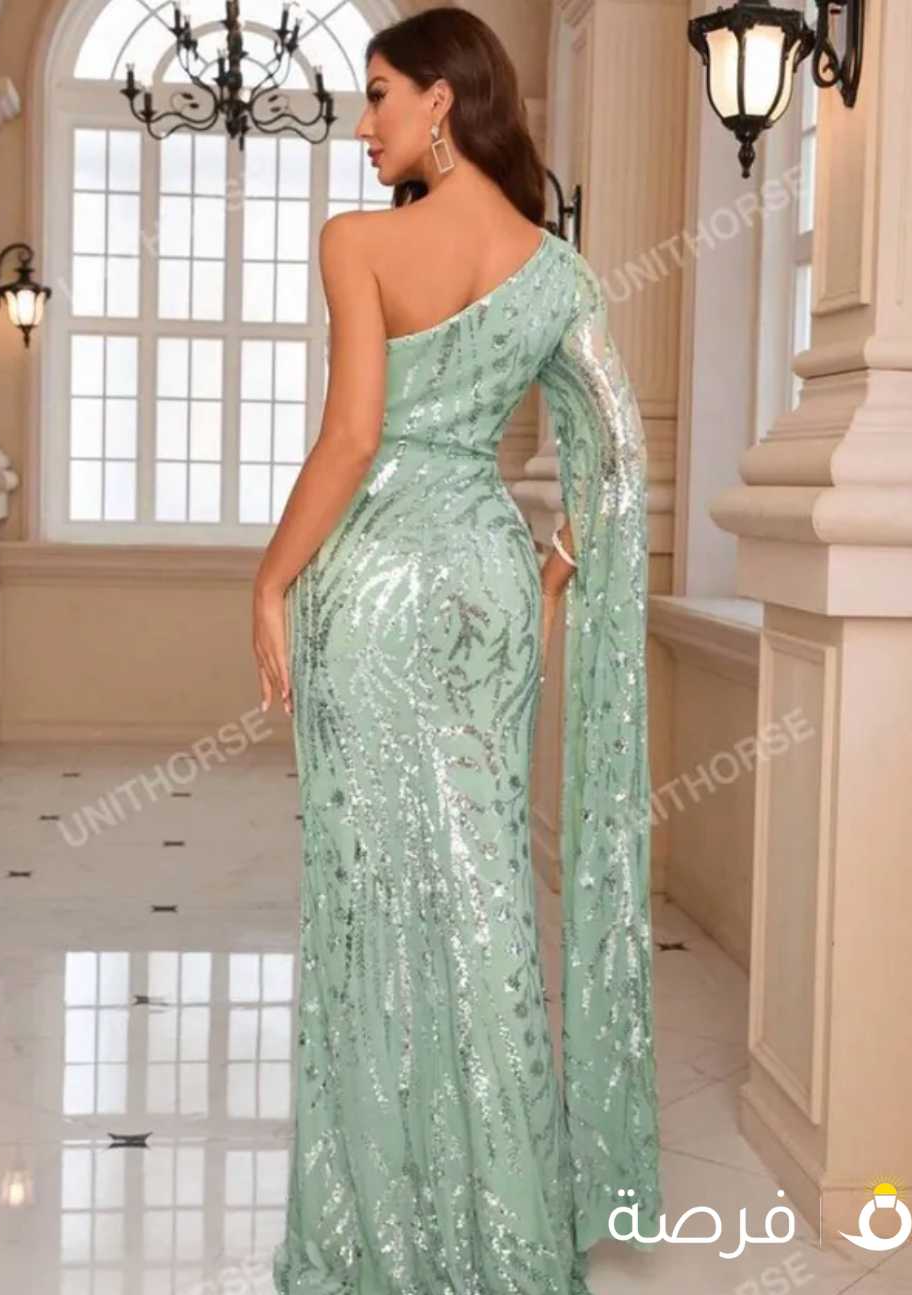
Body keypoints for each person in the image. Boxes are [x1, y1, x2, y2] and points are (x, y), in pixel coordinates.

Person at [251, 9, 661, 1292]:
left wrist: (269, 578)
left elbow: (352, 438)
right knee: (483, 892)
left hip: (372, 580)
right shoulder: (557, 268)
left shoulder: (357, 242)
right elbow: (619, 457)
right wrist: (544, 572)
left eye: (377, 93)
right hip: (486, 575)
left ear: (440, 97)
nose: (361, 123)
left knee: (369, 894)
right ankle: (505, 1228)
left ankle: (382, 1224)